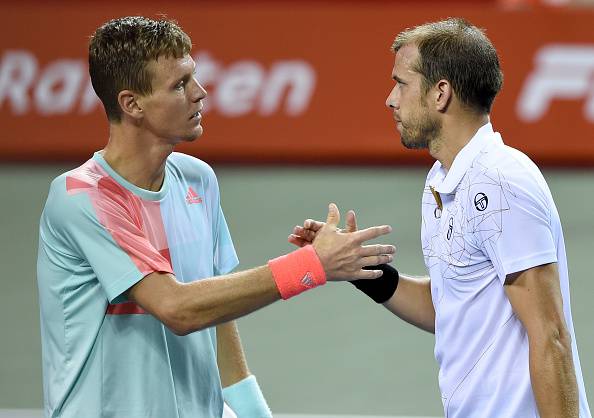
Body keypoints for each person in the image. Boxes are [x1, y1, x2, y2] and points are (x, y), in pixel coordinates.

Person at [36, 16, 396, 418]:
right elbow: (179, 309)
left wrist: (255, 414)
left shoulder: (198, 180)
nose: (200, 92)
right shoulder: (82, 197)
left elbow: (215, 313)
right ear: (131, 104)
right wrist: (310, 265)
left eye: (194, 77)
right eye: (179, 85)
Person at [290, 17, 592, 418]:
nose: (390, 99)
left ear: (441, 94)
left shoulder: (502, 181)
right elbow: (452, 308)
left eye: (401, 83)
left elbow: (550, 335)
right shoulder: (442, 180)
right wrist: (361, 270)